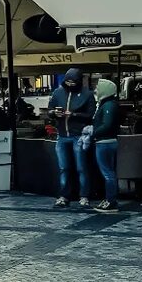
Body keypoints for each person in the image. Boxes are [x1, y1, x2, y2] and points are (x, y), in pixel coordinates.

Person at [46, 68, 96, 209]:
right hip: (62, 135)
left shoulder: (87, 94)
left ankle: (84, 196)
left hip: (78, 136)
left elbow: (90, 115)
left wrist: (73, 114)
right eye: (67, 81)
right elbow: (49, 111)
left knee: (81, 168)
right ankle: (64, 196)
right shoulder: (58, 92)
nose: (70, 84)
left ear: (79, 81)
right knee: (64, 168)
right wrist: (54, 113)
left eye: (73, 81)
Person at [90, 79, 122, 214]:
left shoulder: (108, 105)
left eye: (98, 87)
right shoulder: (107, 104)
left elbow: (107, 125)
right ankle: (109, 199)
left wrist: (93, 132)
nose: (96, 89)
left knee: (108, 173)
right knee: (109, 172)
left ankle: (111, 201)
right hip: (106, 142)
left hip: (105, 143)